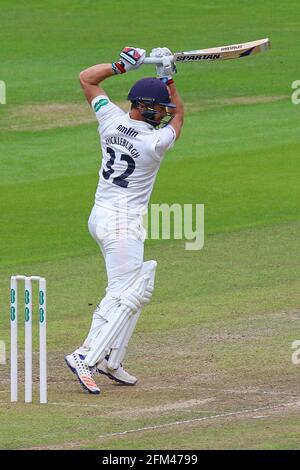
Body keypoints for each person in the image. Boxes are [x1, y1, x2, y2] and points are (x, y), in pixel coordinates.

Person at [65, 47, 184, 394]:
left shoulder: (110, 119)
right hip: (122, 225)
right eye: (160, 107)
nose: (165, 113)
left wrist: (120, 65)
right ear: (145, 106)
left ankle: (110, 360)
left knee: (137, 289)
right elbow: (181, 119)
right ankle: (85, 355)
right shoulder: (153, 143)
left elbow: (87, 78)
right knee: (124, 294)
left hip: (101, 216)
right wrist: (169, 76)